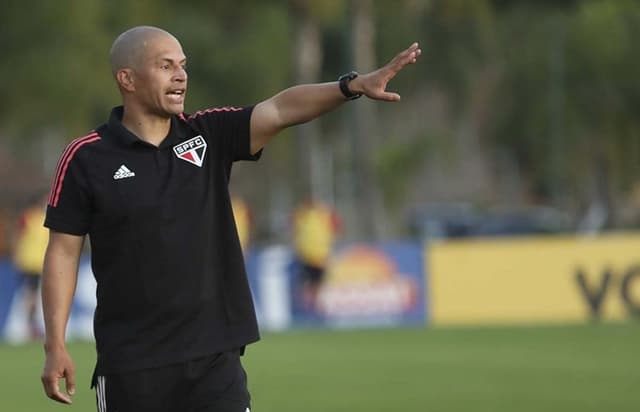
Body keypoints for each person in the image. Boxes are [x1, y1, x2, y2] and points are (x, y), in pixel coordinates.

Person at [40, 25, 420, 411]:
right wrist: (55, 344)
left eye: (183, 66)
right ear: (128, 79)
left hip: (214, 361)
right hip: (131, 368)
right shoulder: (85, 158)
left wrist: (350, 86)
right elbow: (63, 254)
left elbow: (281, 109)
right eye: (165, 65)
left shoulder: (207, 134)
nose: (181, 75)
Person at [292, 198, 342, 314]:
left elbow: (337, 226)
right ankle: (308, 308)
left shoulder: (309, 215)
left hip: (318, 255)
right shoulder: (305, 215)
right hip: (310, 255)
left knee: (315, 284)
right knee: (310, 284)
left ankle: (312, 307)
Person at [12, 193, 48, 340]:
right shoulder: (35, 217)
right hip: (34, 262)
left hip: (35, 262)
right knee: (32, 295)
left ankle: (32, 324)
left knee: (33, 294)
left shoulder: (35, 217)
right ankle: (31, 325)